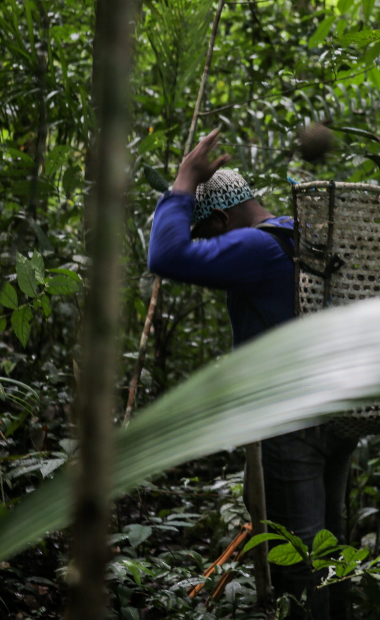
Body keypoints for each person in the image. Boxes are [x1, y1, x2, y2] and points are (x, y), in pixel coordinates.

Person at [147, 129, 357, 620]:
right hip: (335, 417)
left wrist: (181, 184)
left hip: (291, 425)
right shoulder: (298, 232)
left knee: (300, 565)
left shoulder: (254, 248)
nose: (210, 246)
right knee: (331, 553)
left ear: (221, 219)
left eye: (206, 234)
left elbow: (165, 256)